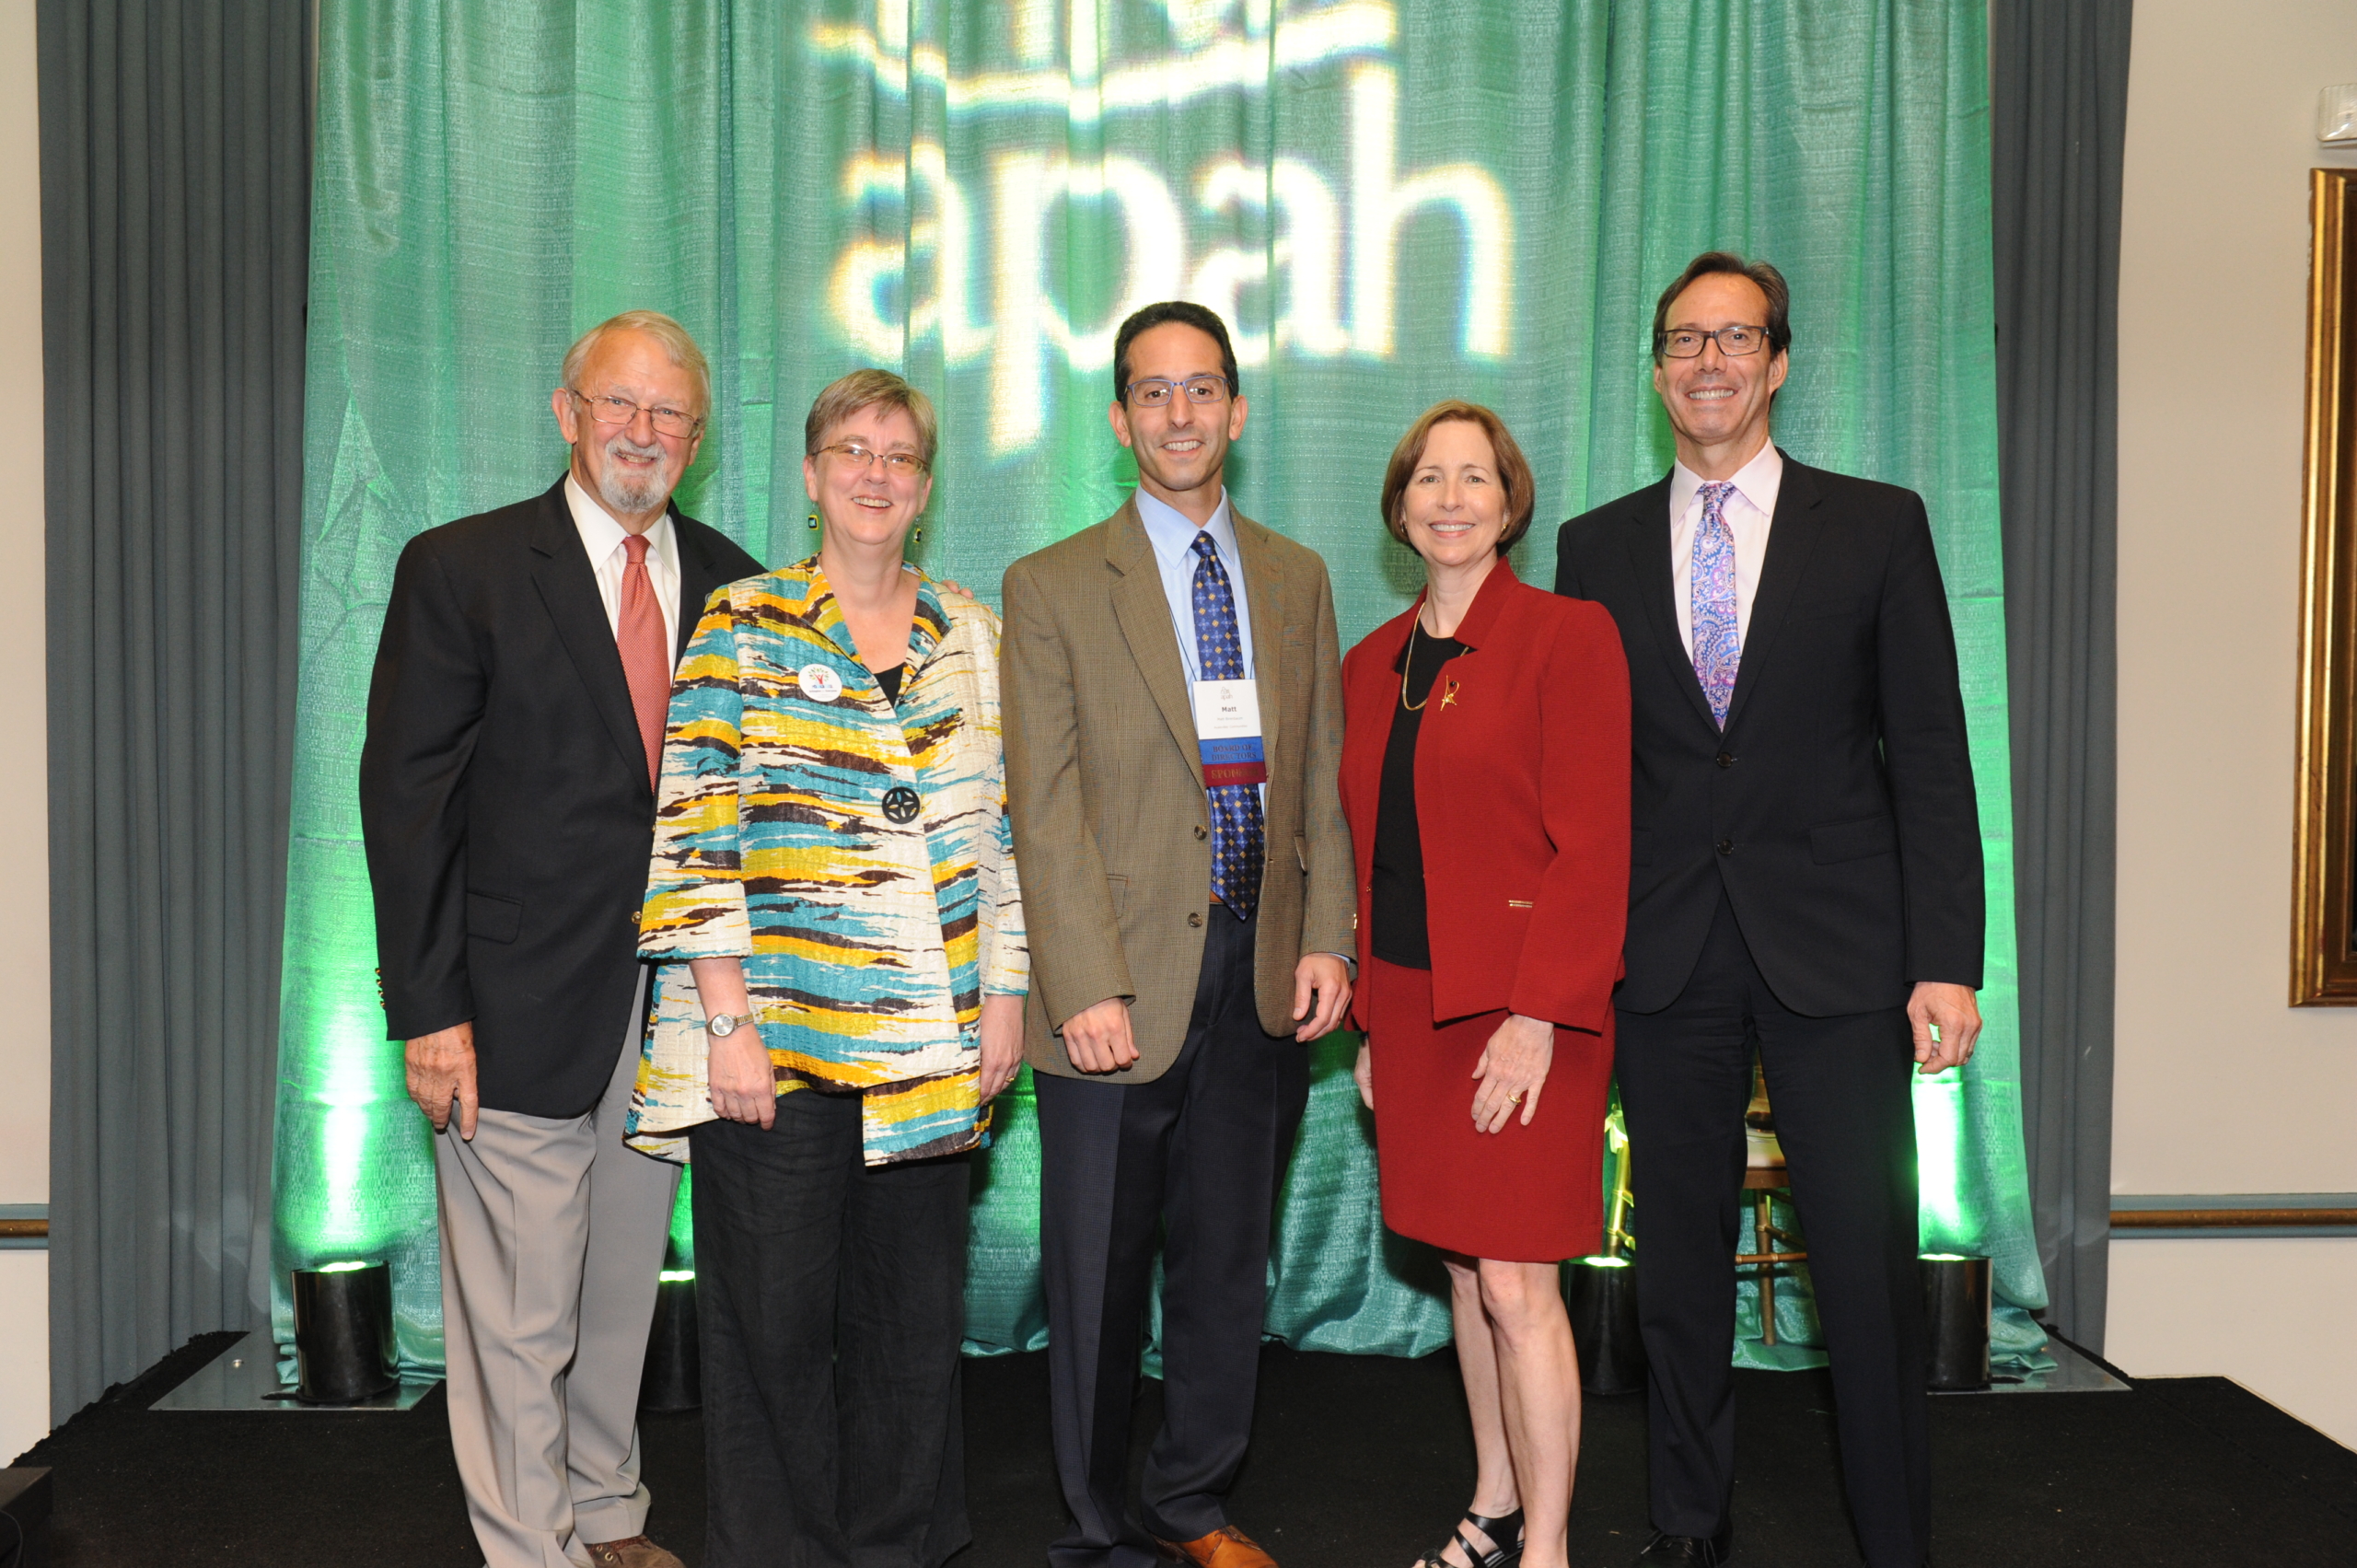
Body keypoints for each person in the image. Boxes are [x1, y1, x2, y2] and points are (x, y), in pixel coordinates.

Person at [1556, 252, 1985, 1568]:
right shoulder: (1594, 544)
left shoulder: (1879, 523)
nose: (1709, 362)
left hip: (1843, 959)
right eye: (1685, 340)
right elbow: (1588, 771)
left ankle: (1894, 1534)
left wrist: (1947, 960)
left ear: (1779, 362)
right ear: (1657, 369)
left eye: (1736, 338)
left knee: (1861, 1264)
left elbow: (1927, 748)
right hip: (1667, 954)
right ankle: (1688, 1524)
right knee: (1677, 1269)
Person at [361, 309, 762, 1568]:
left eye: (671, 415)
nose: (645, 433)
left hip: (673, 1014)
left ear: (698, 437)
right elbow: (408, 801)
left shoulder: (738, 579)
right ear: (566, 410)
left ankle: (607, 1512)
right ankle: (531, 1546)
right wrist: (428, 1008)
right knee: (522, 1311)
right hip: (509, 1005)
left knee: (621, 1290)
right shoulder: (462, 567)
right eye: (621, 405)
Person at [625, 369, 1028, 1568]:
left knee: (913, 1327)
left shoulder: (972, 631)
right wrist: (728, 1019)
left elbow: (1002, 833)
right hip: (776, 1044)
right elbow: (696, 824)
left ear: (925, 485)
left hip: (930, 1043)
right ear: (811, 475)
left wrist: (1006, 993)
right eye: (850, 449)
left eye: (899, 455)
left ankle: (900, 1546)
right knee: (772, 1331)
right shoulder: (742, 622)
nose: (874, 472)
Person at [1001, 300, 1355, 1568]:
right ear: (1118, 418)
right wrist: (1081, 979)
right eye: (1153, 391)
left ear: (1238, 411)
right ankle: (1097, 1523)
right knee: (1096, 1274)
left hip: (1262, 968)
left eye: (1202, 388)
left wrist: (1332, 939)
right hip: (1118, 982)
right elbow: (1041, 807)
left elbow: (1320, 776)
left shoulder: (1297, 575)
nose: (1180, 413)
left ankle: (1194, 1499)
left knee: (1227, 1263)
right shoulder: (1048, 585)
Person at [1340, 401, 1630, 1568]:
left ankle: (1549, 1547)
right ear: (1400, 507)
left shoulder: (1570, 635)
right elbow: (1373, 856)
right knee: (1463, 1272)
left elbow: (1597, 842)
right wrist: (1369, 1019)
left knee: (1517, 1283)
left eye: (1475, 477)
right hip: (1412, 1011)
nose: (1451, 497)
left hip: (1527, 1011)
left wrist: (1539, 1013)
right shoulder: (1370, 664)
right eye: (1428, 478)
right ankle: (1492, 1508)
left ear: (1509, 502)